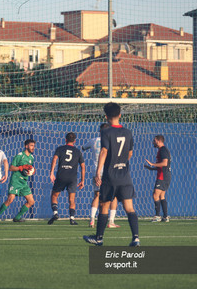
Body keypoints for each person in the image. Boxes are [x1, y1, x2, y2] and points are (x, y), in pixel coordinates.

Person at [83, 102, 140, 247]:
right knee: (129, 208)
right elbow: (130, 153)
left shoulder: (106, 132)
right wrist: (121, 162)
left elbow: (104, 151)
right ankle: (136, 238)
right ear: (120, 115)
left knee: (104, 206)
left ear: (106, 116)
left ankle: (99, 238)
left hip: (110, 176)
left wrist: (98, 173)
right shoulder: (128, 132)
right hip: (125, 176)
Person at [82, 123, 119, 228]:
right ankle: (111, 222)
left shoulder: (93, 141)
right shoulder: (112, 142)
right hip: (109, 171)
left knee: (97, 195)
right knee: (114, 196)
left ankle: (92, 220)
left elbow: (83, 147)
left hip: (96, 171)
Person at [0, 139, 36, 223]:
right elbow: (11, 168)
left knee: (31, 201)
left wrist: (31, 171)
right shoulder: (20, 155)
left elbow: (28, 169)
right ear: (26, 146)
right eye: (31, 145)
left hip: (24, 182)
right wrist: (21, 168)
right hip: (16, 181)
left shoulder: (31, 157)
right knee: (10, 199)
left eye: (33, 146)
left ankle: (17, 217)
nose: (33, 147)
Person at [48, 132, 85, 225]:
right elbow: (83, 166)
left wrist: (51, 172)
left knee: (54, 195)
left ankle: (55, 213)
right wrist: (82, 180)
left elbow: (54, 159)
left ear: (65, 140)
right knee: (72, 199)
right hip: (72, 178)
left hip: (61, 175)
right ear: (75, 141)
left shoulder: (60, 149)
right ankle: (72, 218)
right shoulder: (77, 151)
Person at [145, 135, 171, 223]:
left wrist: (152, 164)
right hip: (165, 175)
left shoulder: (163, 150)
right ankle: (165, 216)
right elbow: (162, 166)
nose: (153, 142)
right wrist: (151, 168)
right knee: (161, 196)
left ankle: (157, 216)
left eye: (154, 141)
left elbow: (164, 163)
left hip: (163, 176)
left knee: (155, 195)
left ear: (158, 141)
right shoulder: (162, 150)